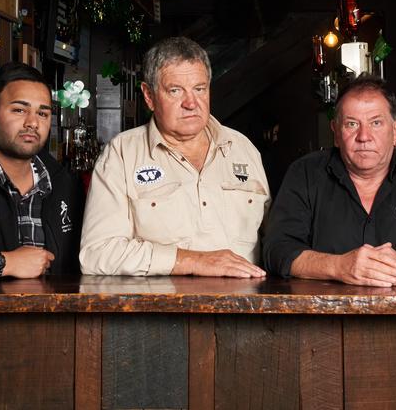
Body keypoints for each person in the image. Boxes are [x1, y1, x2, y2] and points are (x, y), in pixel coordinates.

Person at [263, 75, 396, 287]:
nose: (364, 136)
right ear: (336, 133)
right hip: (322, 321)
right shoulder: (305, 173)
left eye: (376, 123)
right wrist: (338, 266)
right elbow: (277, 248)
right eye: (351, 124)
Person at [80, 37, 270, 277]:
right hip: (163, 310)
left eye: (199, 89)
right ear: (149, 96)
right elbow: (97, 253)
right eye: (175, 91)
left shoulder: (243, 149)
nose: (191, 103)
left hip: (247, 308)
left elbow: (275, 242)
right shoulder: (121, 155)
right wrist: (192, 261)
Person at [0, 62, 84, 282]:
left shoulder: (67, 185)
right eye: (19, 110)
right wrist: (2, 262)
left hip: (59, 315)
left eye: (43, 113)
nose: (33, 122)